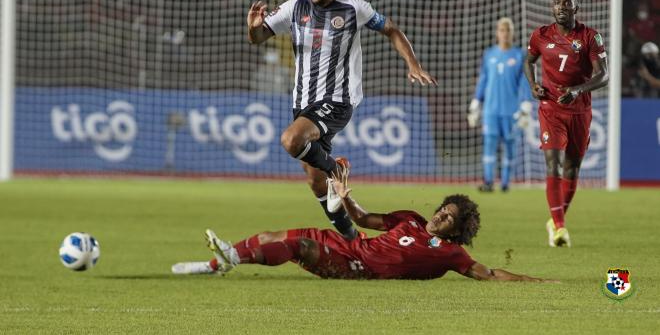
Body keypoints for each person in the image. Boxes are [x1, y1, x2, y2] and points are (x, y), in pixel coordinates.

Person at [245, 0, 437, 240]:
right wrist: (253, 27)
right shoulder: (295, 7)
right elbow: (258, 38)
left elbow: (391, 29)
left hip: (337, 99)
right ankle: (352, 240)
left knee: (291, 140)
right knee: (315, 183)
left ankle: (337, 169)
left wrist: (413, 64)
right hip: (303, 102)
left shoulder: (353, 8)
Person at [172, 168, 555, 282]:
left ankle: (227, 259)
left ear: (458, 231)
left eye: (449, 218)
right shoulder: (410, 219)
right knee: (278, 236)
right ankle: (217, 263)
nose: (440, 216)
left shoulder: (452, 254)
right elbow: (361, 219)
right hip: (349, 247)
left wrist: (539, 282)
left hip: (356, 266)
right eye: (442, 210)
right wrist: (344, 195)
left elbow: (489, 275)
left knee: (296, 247)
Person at [524, 0, 609, 248]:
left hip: (579, 110)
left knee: (572, 167)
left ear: (576, 8)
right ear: (552, 7)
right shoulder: (540, 35)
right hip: (551, 109)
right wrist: (533, 85)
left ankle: (556, 219)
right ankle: (560, 227)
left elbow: (603, 75)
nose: (561, 6)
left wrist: (578, 90)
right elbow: (528, 61)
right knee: (554, 163)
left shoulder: (590, 38)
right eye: (557, 2)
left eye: (566, 3)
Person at [468, 18, 532, 193]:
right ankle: (488, 181)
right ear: (497, 33)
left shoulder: (519, 55)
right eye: (502, 30)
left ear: (512, 33)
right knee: (489, 145)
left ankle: (505, 183)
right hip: (491, 110)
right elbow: (483, 80)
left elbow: (525, 82)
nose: (504, 33)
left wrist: (526, 104)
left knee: (510, 147)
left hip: (511, 110)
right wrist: (476, 102)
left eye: (508, 30)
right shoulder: (489, 54)